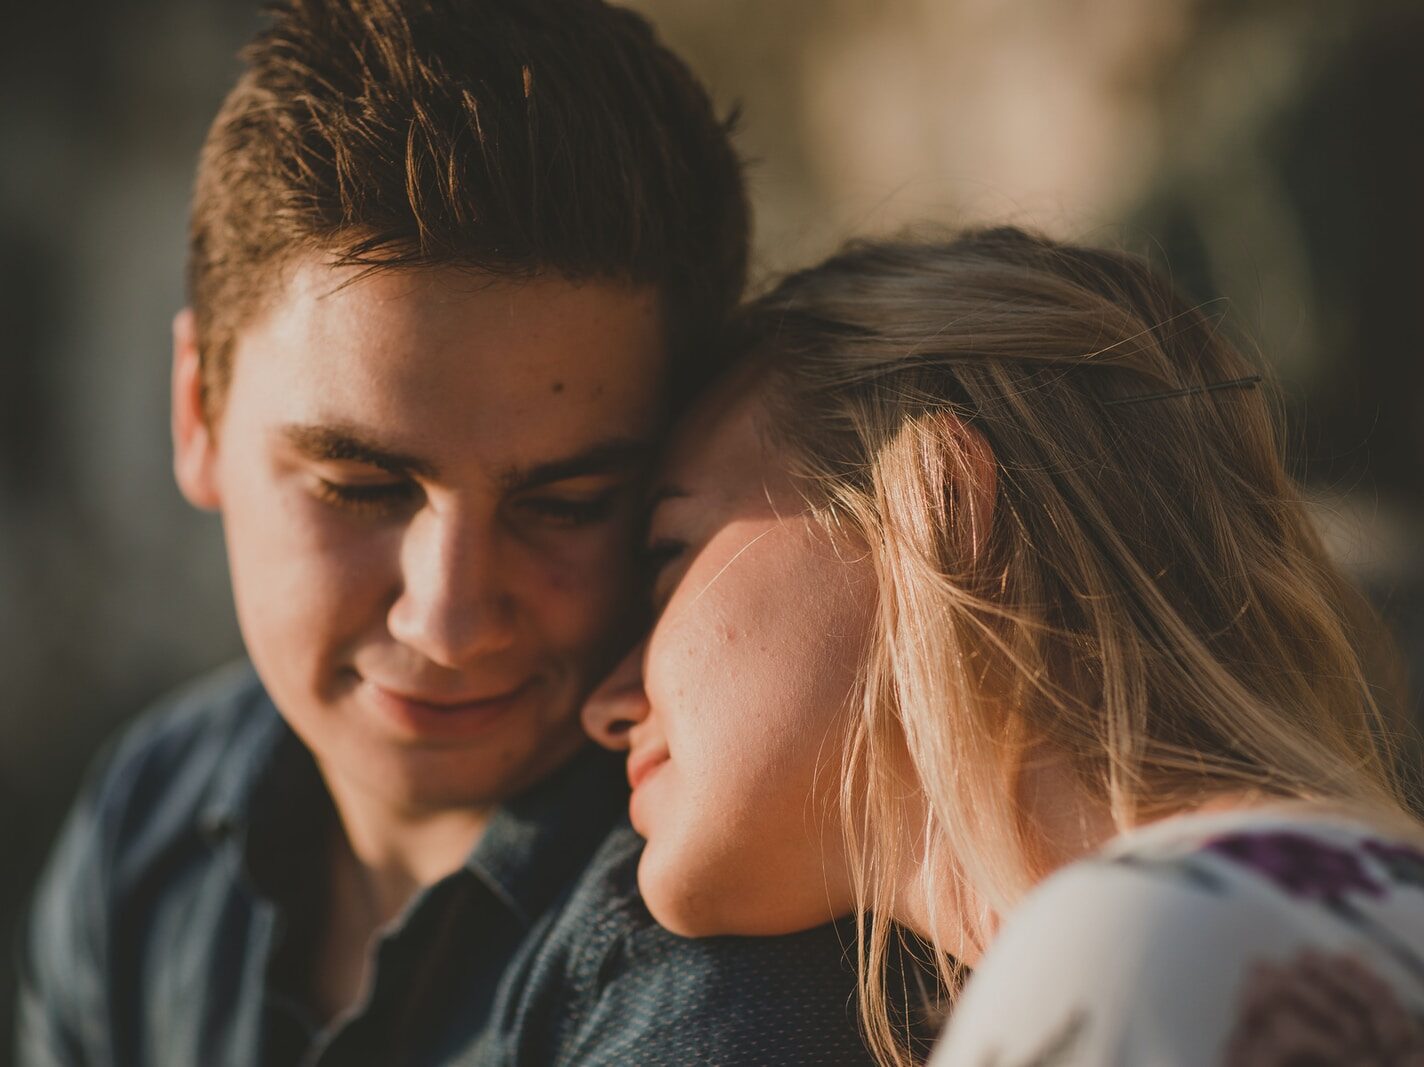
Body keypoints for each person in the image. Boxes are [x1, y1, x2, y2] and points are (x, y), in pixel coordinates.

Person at [16, 2, 877, 1064]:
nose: (450, 617)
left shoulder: (729, 949)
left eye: (565, 503)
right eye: (360, 484)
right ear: (195, 411)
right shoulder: (148, 817)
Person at [583, 227, 1424, 1066]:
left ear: (932, 505)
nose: (605, 703)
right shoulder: (1334, 905)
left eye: (668, 553)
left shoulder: (1137, 952)